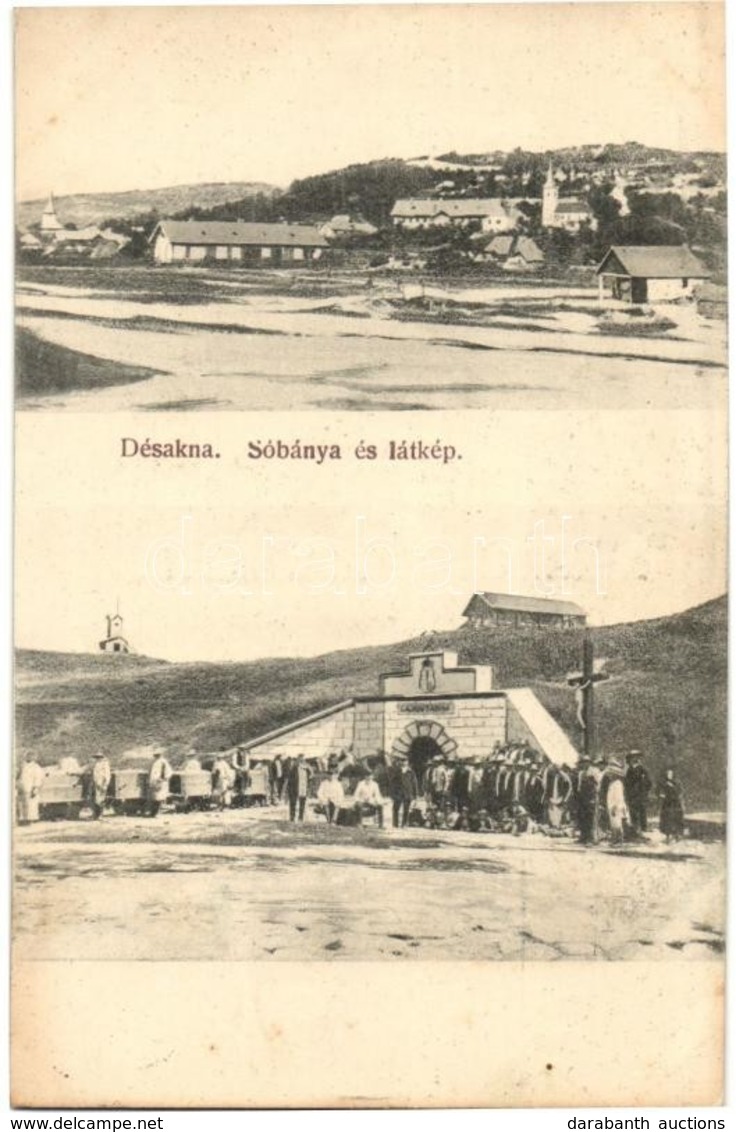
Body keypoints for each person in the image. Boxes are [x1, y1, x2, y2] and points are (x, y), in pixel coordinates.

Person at [625, 750, 652, 837]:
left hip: (640, 794)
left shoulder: (642, 769)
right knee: (633, 812)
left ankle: (643, 829)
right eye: (632, 757)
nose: (634, 759)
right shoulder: (629, 770)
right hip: (632, 794)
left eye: (636, 757)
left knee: (642, 811)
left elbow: (649, 782)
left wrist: (644, 790)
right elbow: (627, 782)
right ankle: (635, 829)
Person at [604, 759, 629, 846]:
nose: (610, 775)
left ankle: (619, 840)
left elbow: (618, 797)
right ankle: (615, 840)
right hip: (611, 806)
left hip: (616, 806)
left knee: (617, 824)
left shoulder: (618, 783)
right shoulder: (612, 783)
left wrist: (615, 806)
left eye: (611, 774)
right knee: (613, 823)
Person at [659, 768, 685, 843]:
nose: (668, 775)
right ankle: (668, 836)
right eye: (667, 774)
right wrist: (660, 795)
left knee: (676, 818)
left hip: (675, 803)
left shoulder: (677, 782)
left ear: (673, 774)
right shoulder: (663, 782)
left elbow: (680, 792)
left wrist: (672, 787)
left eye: (670, 774)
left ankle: (677, 835)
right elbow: (658, 791)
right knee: (666, 819)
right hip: (667, 803)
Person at [17, 754, 45, 824]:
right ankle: (23, 818)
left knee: (31, 804)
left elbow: (38, 778)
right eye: (28, 756)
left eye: (31, 757)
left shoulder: (36, 767)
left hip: (31, 787)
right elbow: (19, 776)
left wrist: (35, 787)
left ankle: (30, 819)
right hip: (22, 788)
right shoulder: (23, 766)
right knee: (22, 804)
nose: (29, 758)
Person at [286, 753, 311, 822]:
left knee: (302, 803)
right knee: (293, 803)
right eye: (300, 760)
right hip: (295, 787)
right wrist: (289, 789)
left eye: (303, 760)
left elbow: (310, 777)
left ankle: (301, 817)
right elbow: (290, 779)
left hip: (303, 787)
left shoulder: (307, 769)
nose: (301, 761)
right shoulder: (294, 769)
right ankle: (292, 817)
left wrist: (308, 787)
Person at [148, 747, 172, 816]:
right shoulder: (155, 762)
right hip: (154, 782)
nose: (156, 756)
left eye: (157, 754)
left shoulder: (163, 762)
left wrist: (163, 779)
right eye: (155, 755)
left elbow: (169, 772)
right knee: (154, 798)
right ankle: (154, 813)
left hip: (160, 782)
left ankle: (157, 813)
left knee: (159, 798)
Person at [89, 750, 112, 820]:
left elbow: (107, 775)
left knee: (100, 800)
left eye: (99, 757)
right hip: (95, 783)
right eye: (97, 757)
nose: (98, 759)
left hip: (101, 784)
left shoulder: (105, 764)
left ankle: (100, 815)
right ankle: (95, 814)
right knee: (94, 799)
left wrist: (105, 784)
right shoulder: (95, 764)